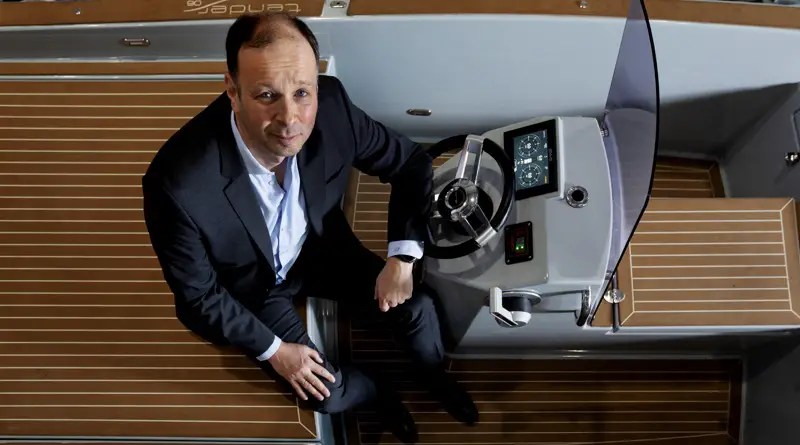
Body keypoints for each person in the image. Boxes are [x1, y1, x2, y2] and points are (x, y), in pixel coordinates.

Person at [141, 11, 478, 444]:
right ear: (233, 90)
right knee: (325, 393)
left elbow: (411, 163)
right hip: (250, 291)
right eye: (266, 96)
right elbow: (199, 295)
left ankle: (434, 378)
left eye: (302, 92)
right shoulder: (176, 183)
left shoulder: (333, 106)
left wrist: (401, 257)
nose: (290, 120)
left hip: (320, 249)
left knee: (418, 309)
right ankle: (377, 392)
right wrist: (276, 351)